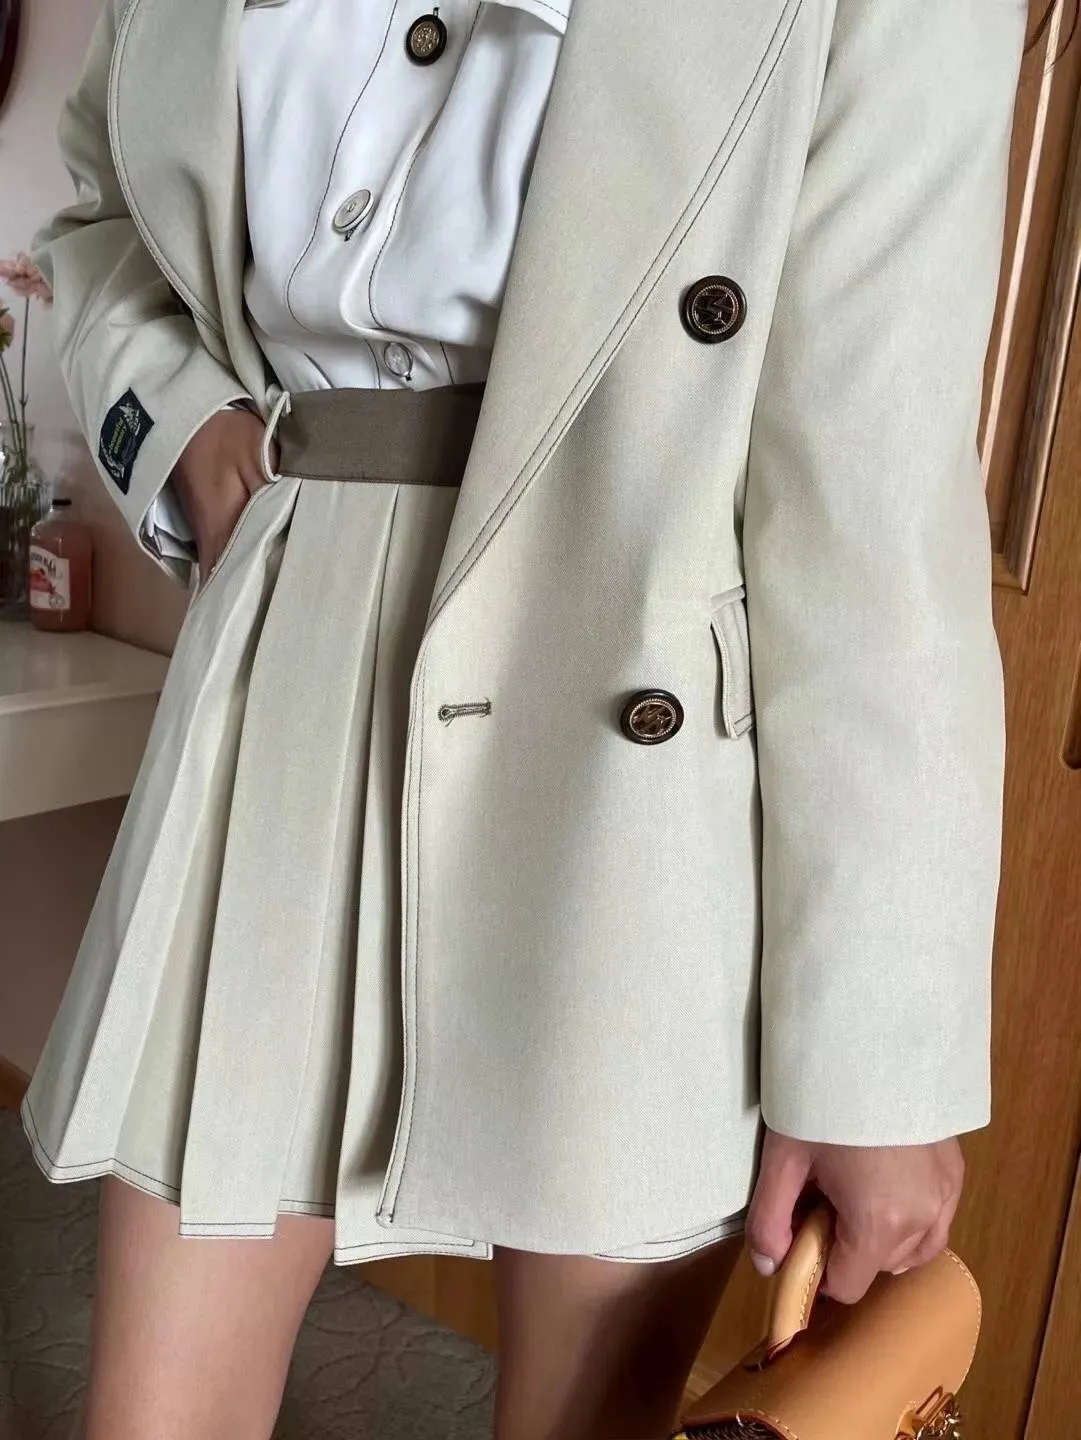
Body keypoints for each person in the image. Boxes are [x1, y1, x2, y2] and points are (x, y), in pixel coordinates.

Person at [21, 0, 1030, 1436]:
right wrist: (177, 426)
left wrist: (882, 1060)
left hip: (628, 720)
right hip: (282, 664)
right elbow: (107, 205)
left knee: (583, 1418)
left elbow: (873, 491)